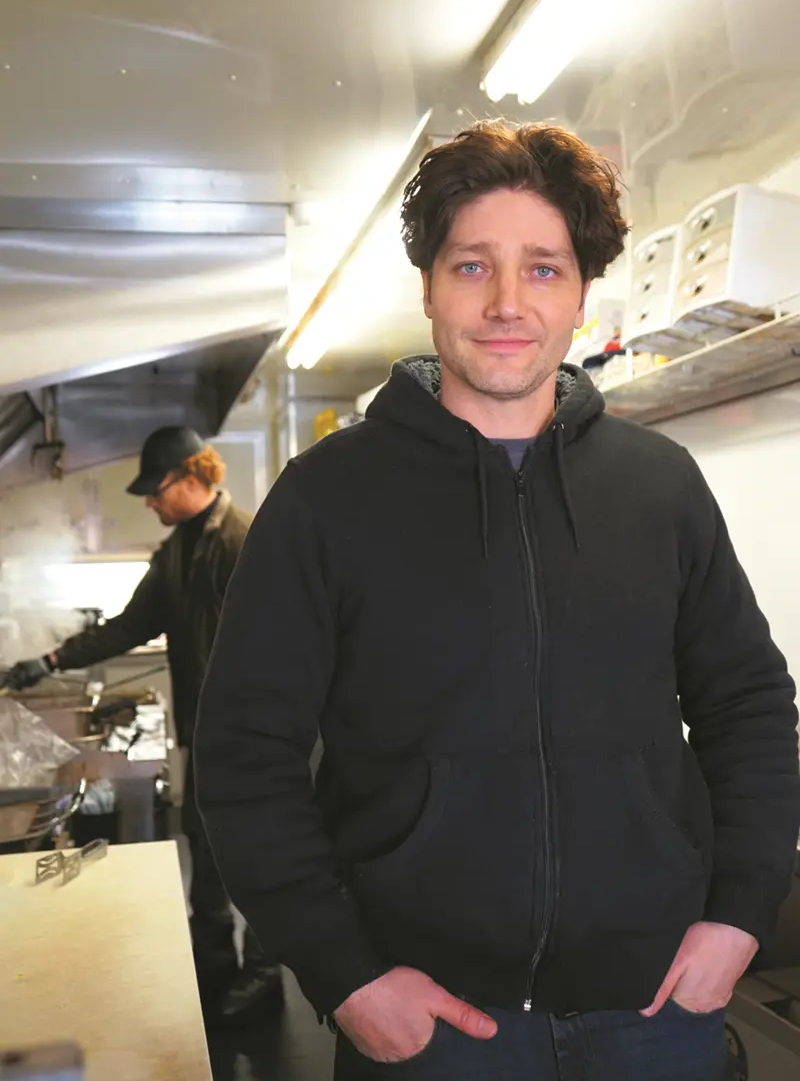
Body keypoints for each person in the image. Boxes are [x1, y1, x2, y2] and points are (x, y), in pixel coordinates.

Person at [194, 122, 800, 1079]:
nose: (509, 303)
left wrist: (739, 916)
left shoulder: (661, 487)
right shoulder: (326, 500)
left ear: (582, 294)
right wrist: (345, 974)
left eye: (545, 269)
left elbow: (750, 707)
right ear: (429, 287)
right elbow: (242, 757)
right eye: (473, 266)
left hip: (655, 1012)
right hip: (436, 1028)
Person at [6, 425, 283, 1027]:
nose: (150, 504)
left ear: (193, 477)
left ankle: (262, 978)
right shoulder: (178, 550)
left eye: (155, 492)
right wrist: (51, 661)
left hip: (255, 738)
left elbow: (283, 648)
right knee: (205, 845)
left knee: (258, 856)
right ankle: (212, 965)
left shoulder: (244, 541)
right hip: (204, 732)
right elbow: (130, 625)